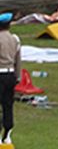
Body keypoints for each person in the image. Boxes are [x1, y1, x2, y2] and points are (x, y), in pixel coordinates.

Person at [0, 12, 19, 146]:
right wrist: (17, 76)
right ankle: (7, 134)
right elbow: (18, 59)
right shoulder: (15, 39)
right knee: (8, 105)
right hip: (10, 74)